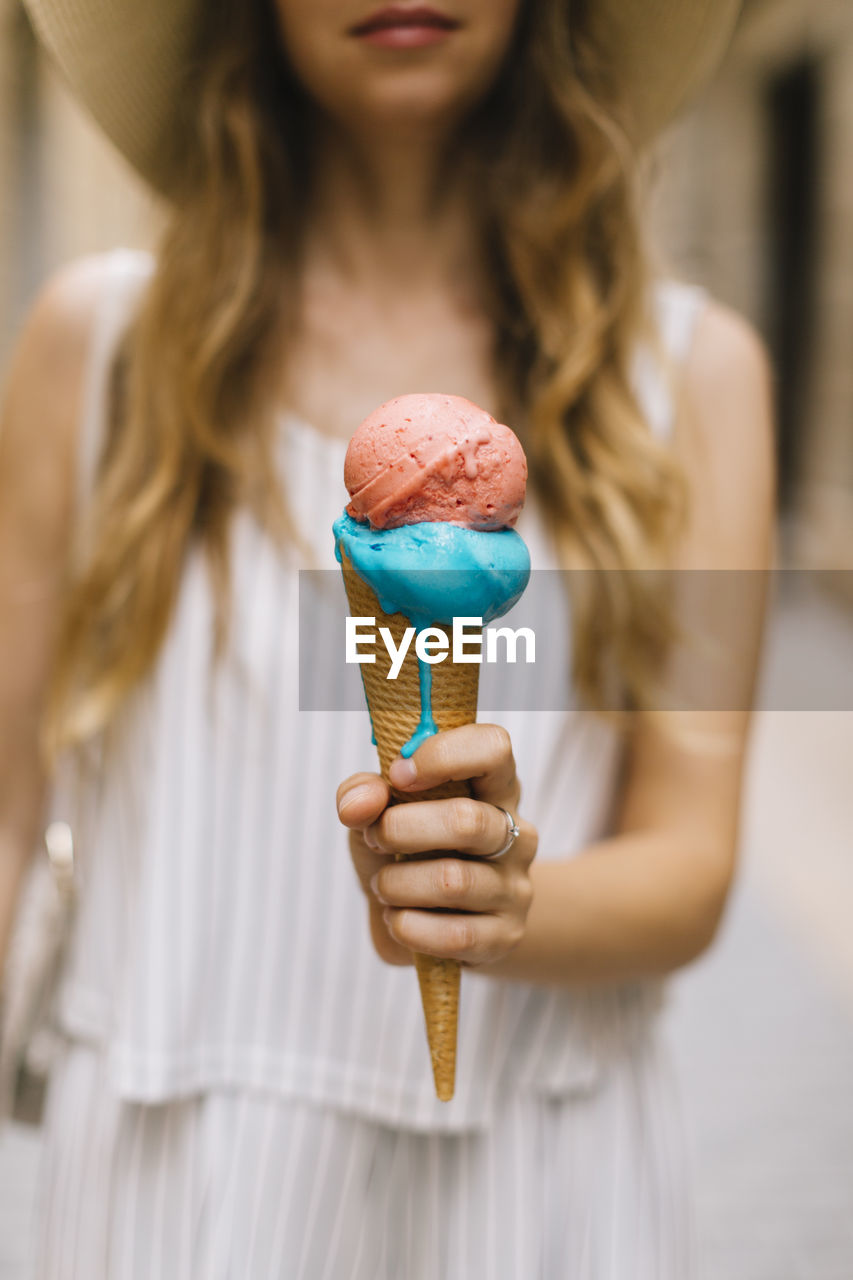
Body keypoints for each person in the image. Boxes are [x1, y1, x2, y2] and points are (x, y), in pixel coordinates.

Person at [0, 0, 774, 1275]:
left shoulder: (686, 376)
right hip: (172, 1185)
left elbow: (689, 860)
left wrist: (503, 894)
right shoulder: (98, 352)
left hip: (537, 1178)